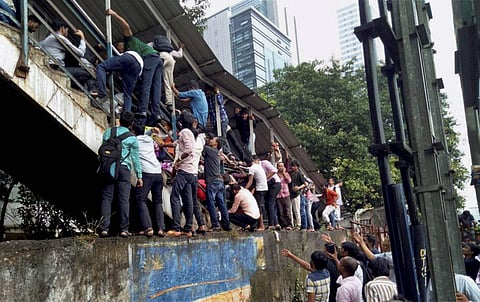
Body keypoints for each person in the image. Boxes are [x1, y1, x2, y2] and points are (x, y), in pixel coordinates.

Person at [107, 9, 163, 126]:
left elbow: (126, 26)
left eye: (120, 48)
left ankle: (142, 110)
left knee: (146, 85)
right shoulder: (134, 52)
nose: (120, 50)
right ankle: (155, 114)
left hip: (150, 58)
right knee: (156, 87)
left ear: (123, 45)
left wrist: (114, 14)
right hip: (157, 59)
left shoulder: (129, 41)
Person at [98, 111, 143, 238]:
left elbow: (102, 150)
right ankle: (124, 229)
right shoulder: (132, 138)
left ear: (119, 120)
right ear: (131, 124)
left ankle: (104, 229)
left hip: (109, 168)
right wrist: (139, 176)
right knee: (124, 200)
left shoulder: (108, 132)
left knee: (106, 198)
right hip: (124, 170)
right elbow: (135, 159)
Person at [39, 18, 97, 95]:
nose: (67, 32)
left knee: (79, 63)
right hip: (57, 68)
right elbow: (80, 53)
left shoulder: (50, 37)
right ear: (62, 29)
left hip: (54, 65)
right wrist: (82, 38)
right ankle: (91, 91)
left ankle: (86, 91)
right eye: (67, 30)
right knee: (88, 72)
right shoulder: (59, 37)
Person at [166, 112, 197, 238]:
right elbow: (177, 143)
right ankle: (188, 228)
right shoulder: (189, 133)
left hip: (184, 170)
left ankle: (176, 227)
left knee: (174, 197)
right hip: (191, 172)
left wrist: (179, 159)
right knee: (188, 200)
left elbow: (188, 150)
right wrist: (165, 144)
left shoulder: (184, 131)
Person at [132, 124, 165, 237]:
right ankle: (160, 228)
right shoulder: (149, 139)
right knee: (158, 201)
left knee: (140, 198)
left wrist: (139, 176)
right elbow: (149, 132)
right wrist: (152, 130)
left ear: (133, 131)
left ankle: (147, 227)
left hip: (147, 173)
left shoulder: (134, 141)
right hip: (158, 172)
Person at [95, 41, 143, 113]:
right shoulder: (135, 54)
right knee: (127, 95)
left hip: (129, 58)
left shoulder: (123, 54)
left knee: (101, 67)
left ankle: (102, 94)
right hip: (138, 68)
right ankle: (127, 116)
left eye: (119, 47)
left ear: (123, 48)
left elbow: (112, 64)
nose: (117, 48)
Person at [202, 135, 231, 232]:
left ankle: (215, 225)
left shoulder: (210, 150)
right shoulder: (217, 153)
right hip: (219, 181)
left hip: (212, 180)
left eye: (213, 139)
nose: (210, 140)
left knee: (211, 202)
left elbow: (200, 145)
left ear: (216, 143)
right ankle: (227, 224)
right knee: (221, 203)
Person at [244, 155, 268, 231]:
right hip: (264, 188)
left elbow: (250, 181)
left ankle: (261, 225)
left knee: (258, 207)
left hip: (260, 189)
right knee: (259, 206)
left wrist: (244, 190)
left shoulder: (252, 168)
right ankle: (256, 225)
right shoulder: (258, 166)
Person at [260, 155, 281, 230]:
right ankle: (276, 223)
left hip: (275, 183)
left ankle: (271, 224)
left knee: (270, 203)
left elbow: (274, 170)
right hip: (269, 184)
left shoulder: (264, 163)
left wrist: (265, 179)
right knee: (270, 204)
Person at [289, 159, 308, 230]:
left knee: (297, 209)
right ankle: (292, 224)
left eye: (294, 166)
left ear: (297, 166)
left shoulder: (299, 173)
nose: (293, 168)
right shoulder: (291, 173)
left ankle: (299, 224)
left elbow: (305, 184)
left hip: (296, 193)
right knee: (291, 209)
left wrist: (298, 187)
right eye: (292, 166)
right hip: (291, 193)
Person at [276, 161, 293, 230]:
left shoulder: (286, 174)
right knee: (281, 211)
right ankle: (283, 224)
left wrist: (283, 173)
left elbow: (289, 181)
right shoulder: (275, 174)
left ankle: (289, 224)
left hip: (286, 194)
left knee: (287, 210)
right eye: (279, 166)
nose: (281, 167)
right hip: (278, 195)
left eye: (282, 166)